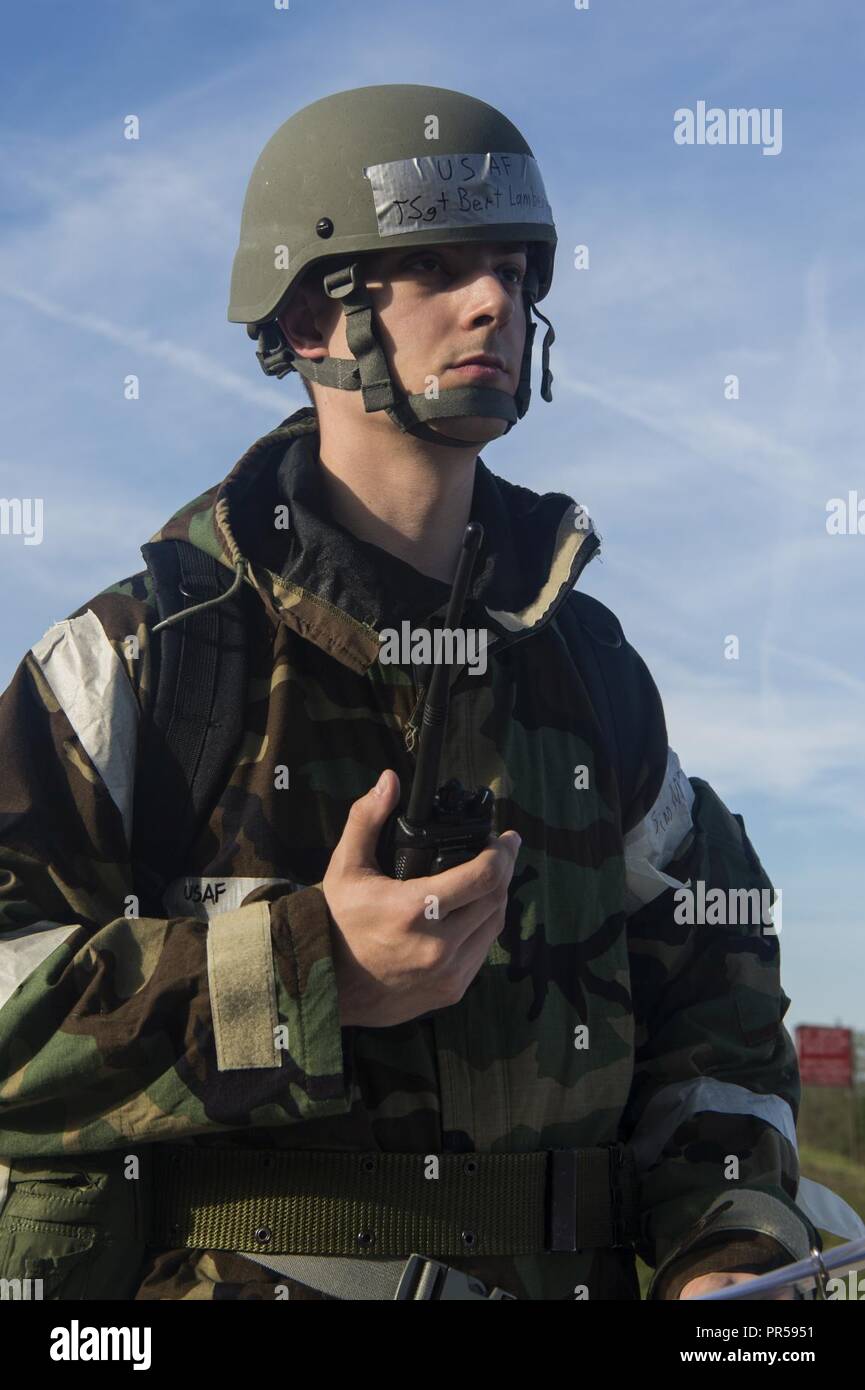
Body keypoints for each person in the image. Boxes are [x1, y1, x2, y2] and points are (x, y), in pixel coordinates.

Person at [0, 83, 846, 1302]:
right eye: (437, 264)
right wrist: (301, 977)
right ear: (308, 317)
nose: (495, 299)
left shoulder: (586, 665)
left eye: (511, 264)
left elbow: (714, 978)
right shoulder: (138, 660)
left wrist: (726, 1243)